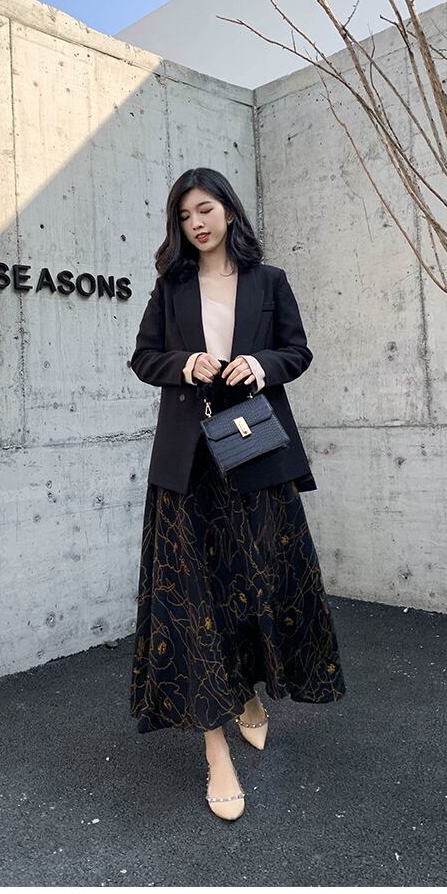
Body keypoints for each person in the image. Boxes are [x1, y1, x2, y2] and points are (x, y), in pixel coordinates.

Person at [128, 167, 346, 821]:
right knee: (191, 601)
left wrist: (261, 364)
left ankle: (247, 691)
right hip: (189, 466)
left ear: (228, 210)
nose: (196, 223)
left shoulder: (269, 282)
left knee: (254, 586)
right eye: (184, 215)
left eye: (205, 209)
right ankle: (216, 751)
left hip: (254, 452)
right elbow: (143, 357)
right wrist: (184, 364)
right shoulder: (171, 288)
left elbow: (297, 352)